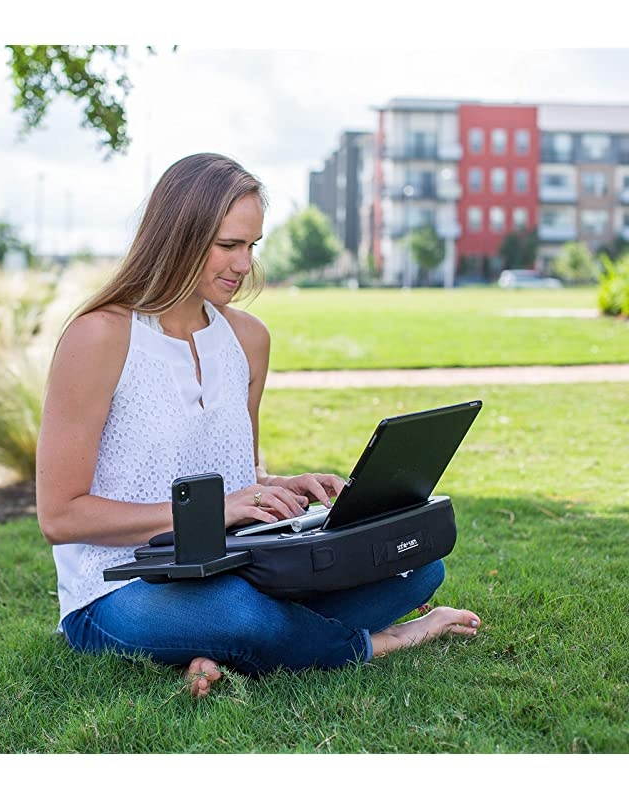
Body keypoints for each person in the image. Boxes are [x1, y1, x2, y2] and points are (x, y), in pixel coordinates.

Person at [36, 153, 480, 699]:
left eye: (252, 246)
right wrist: (217, 511)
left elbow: (237, 474)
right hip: (119, 586)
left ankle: (211, 647)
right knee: (244, 615)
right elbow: (60, 516)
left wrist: (281, 487)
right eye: (228, 245)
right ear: (177, 236)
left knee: (418, 567)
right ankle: (383, 641)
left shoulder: (248, 340)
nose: (244, 264)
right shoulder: (99, 337)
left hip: (237, 564)